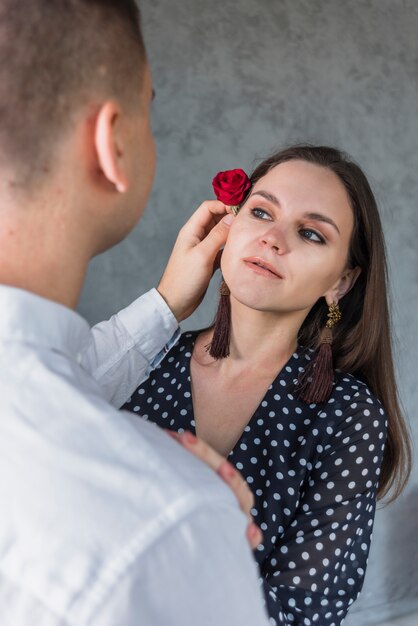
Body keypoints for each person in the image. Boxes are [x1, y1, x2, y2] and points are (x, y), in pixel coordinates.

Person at [0, 2, 271, 625]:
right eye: (150, 107)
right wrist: (181, 516)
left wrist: (165, 303)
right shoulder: (166, 530)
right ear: (112, 141)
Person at [123, 145, 412, 626]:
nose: (274, 239)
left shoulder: (348, 416)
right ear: (228, 226)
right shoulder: (141, 355)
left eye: (311, 233)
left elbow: (300, 612)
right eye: (261, 212)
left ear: (341, 281)